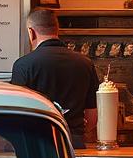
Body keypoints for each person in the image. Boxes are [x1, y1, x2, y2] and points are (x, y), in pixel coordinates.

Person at [10, 8, 99, 148]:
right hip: (73, 143)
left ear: (31, 32)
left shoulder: (23, 65)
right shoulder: (85, 64)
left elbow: (17, 114)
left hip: (37, 142)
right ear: (57, 30)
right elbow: (92, 117)